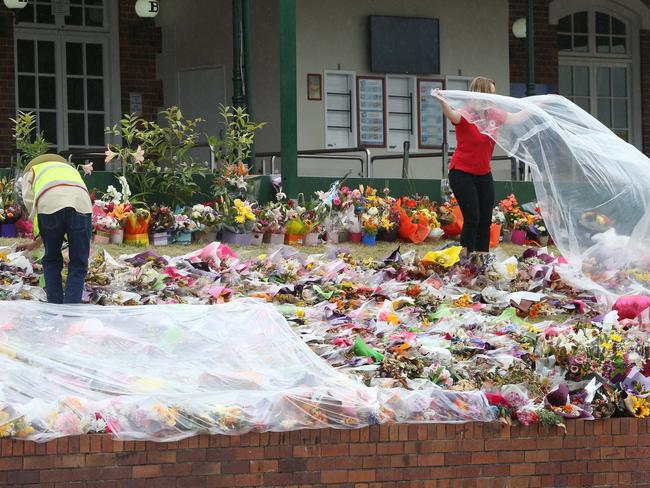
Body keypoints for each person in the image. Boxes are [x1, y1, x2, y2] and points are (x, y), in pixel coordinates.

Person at [432, 77, 510, 263]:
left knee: (485, 217)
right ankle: (465, 258)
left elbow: (516, 118)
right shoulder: (466, 113)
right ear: (480, 93)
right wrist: (442, 100)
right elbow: (452, 115)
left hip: (484, 174)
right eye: (490, 93)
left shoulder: (494, 115)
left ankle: (482, 258)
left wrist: (540, 104)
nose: (493, 97)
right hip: (462, 173)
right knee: (472, 216)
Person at [17, 154, 92, 304]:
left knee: (51, 259)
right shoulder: (69, 169)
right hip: (81, 206)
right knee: (79, 262)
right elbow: (75, 194)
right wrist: (36, 243)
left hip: (48, 205)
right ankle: (70, 310)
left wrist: (39, 233)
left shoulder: (32, 171)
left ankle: (55, 306)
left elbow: (32, 206)